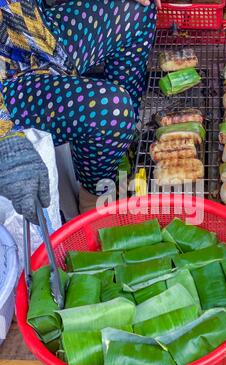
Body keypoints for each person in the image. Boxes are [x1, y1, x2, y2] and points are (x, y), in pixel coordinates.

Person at [0, 0, 160, 223]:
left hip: (27, 37)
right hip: (6, 93)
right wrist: (5, 138)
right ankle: (92, 201)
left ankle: (117, 149)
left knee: (139, 10)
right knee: (110, 109)